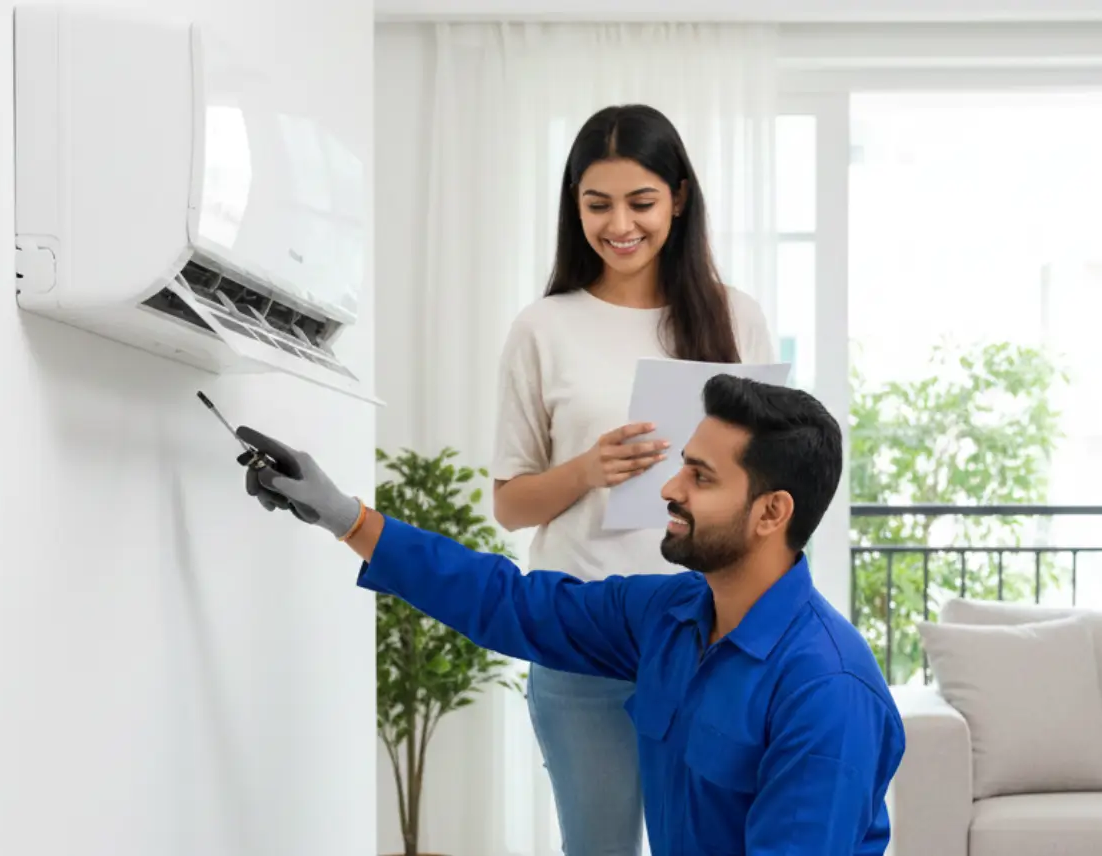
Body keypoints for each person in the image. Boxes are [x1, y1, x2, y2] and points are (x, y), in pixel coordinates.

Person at [233, 374, 906, 856]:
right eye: (683, 467)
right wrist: (346, 517)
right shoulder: (669, 615)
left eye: (700, 477)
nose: (669, 488)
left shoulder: (828, 693)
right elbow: (510, 602)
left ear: (771, 513)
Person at [489, 102, 776, 855]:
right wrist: (587, 470)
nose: (620, 224)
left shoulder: (735, 318)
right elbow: (510, 505)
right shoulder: (543, 327)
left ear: (678, 199)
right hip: (581, 628)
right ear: (574, 206)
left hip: (708, 631)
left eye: (641, 202)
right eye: (598, 204)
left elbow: (770, 482)